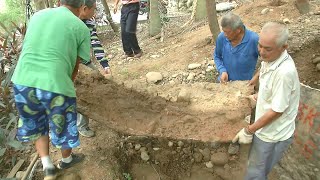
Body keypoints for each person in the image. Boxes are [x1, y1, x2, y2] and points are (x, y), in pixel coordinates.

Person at [11, 0, 93, 179]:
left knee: (37, 125)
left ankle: (47, 166)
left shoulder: (38, 15)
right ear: (81, 7)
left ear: (58, 2)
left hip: (22, 80)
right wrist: (67, 85)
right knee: (63, 126)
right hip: (54, 83)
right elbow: (75, 66)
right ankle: (67, 160)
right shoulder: (81, 27)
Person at [232, 22, 300, 180]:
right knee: (256, 167)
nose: (261, 52)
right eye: (259, 45)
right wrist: (253, 85)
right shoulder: (272, 58)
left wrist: (249, 130)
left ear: (284, 47)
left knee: (256, 172)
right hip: (266, 128)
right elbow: (264, 66)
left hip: (272, 134)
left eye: (267, 48)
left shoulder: (284, 73)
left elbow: (277, 111)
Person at [76, 0, 111, 138]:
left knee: (98, 81)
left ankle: (99, 112)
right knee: (82, 93)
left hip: (85, 62)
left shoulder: (89, 21)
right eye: (94, 9)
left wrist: (104, 64)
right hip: (71, 64)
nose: (95, 13)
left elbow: (95, 41)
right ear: (84, 9)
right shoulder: (69, 21)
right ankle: (81, 126)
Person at [213, 12, 259, 83]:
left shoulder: (254, 40)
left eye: (227, 32)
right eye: (223, 31)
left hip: (244, 86)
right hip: (225, 83)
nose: (225, 35)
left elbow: (267, 62)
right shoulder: (222, 37)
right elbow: (217, 56)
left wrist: (256, 78)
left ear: (238, 30)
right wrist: (222, 71)